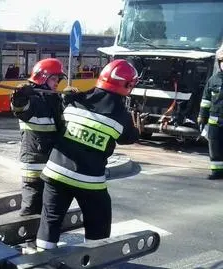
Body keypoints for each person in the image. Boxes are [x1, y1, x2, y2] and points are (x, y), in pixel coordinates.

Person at [35, 59, 140, 249]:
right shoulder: (121, 115)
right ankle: (93, 256)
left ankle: (42, 257)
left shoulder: (77, 98)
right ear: (128, 85)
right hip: (88, 181)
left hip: (55, 173)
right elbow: (129, 138)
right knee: (99, 220)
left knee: (50, 219)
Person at [10, 58, 65, 216]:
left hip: (50, 162)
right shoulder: (32, 98)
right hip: (34, 164)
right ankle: (27, 239)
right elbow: (20, 109)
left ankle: (39, 238)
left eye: (58, 79)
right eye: (54, 79)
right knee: (31, 206)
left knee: (47, 207)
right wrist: (19, 97)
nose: (57, 83)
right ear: (43, 77)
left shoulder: (53, 98)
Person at [198, 44, 223, 180]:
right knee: (215, 147)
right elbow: (206, 100)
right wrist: (202, 116)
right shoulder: (213, 80)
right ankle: (217, 172)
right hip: (215, 122)